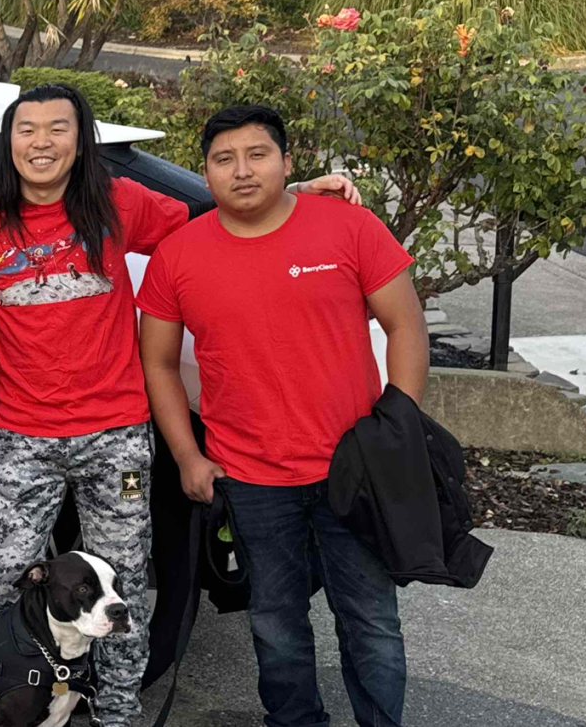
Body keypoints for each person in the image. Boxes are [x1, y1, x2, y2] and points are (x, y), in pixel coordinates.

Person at [0, 85, 357, 726]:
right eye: (27, 129)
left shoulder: (115, 203)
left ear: (79, 139)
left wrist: (295, 191)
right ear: (9, 143)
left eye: (58, 128)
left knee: (122, 587)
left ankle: (115, 715)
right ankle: (16, 707)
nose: (42, 142)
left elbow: (216, 214)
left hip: (115, 434)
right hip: (20, 438)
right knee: (6, 586)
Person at [136, 105, 429, 727]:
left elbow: (406, 324)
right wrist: (189, 455)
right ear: (206, 172)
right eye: (224, 159)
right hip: (250, 476)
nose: (242, 171)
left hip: (355, 465)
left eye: (258, 154)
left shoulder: (346, 226)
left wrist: (399, 427)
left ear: (287, 163)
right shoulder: (178, 255)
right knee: (275, 620)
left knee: (370, 618)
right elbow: (159, 364)